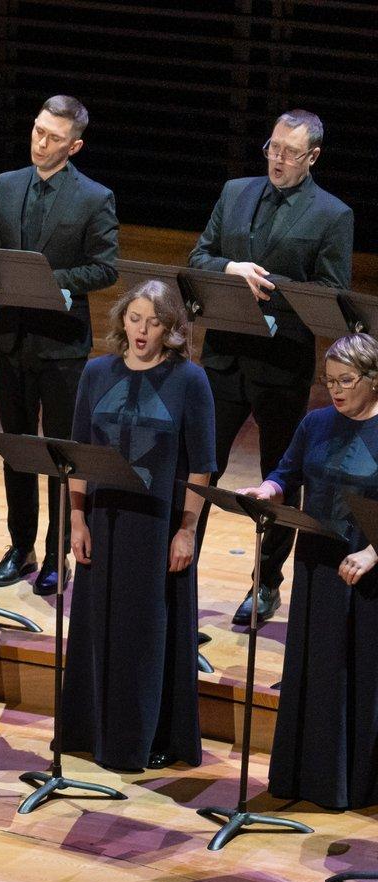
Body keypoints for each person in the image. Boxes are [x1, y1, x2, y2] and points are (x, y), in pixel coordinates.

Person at [187, 109, 354, 626]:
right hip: (223, 358)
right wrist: (229, 268)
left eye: (290, 152)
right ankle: (181, 568)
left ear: (313, 157)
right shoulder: (235, 192)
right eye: (273, 148)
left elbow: (332, 293)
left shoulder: (333, 214)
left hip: (281, 365)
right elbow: (199, 257)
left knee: (278, 476)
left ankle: (267, 581)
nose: (277, 159)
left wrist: (271, 290)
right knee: (200, 465)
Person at [58, 281, 215, 772]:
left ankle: (145, 738)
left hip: (156, 529)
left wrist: (187, 530)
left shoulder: (189, 380)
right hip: (102, 521)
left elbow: (201, 467)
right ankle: (90, 731)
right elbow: (78, 454)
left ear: (170, 329)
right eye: (134, 319)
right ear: (121, 320)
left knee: (147, 632)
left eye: (154, 322)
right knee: (97, 623)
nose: (142, 330)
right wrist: (76, 519)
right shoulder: (96, 372)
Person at [0, 95, 119, 597]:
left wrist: (48, 279)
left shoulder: (94, 197)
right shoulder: (7, 184)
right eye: (38, 131)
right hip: (11, 337)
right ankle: (22, 546)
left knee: (61, 452)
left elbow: (105, 267)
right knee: (17, 448)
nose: (40, 142)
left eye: (53, 137)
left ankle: (59, 551)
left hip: (61, 344)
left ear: (73, 146)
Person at [240, 333, 378, 810]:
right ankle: (305, 775)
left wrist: (373, 553)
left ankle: (353, 783)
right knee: (314, 667)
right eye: (329, 380)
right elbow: (287, 472)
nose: (335, 390)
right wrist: (267, 491)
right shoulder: (316, 422)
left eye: (346, 380)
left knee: (356, 671)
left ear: (373, 380)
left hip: (365, 572)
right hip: (317, 562)